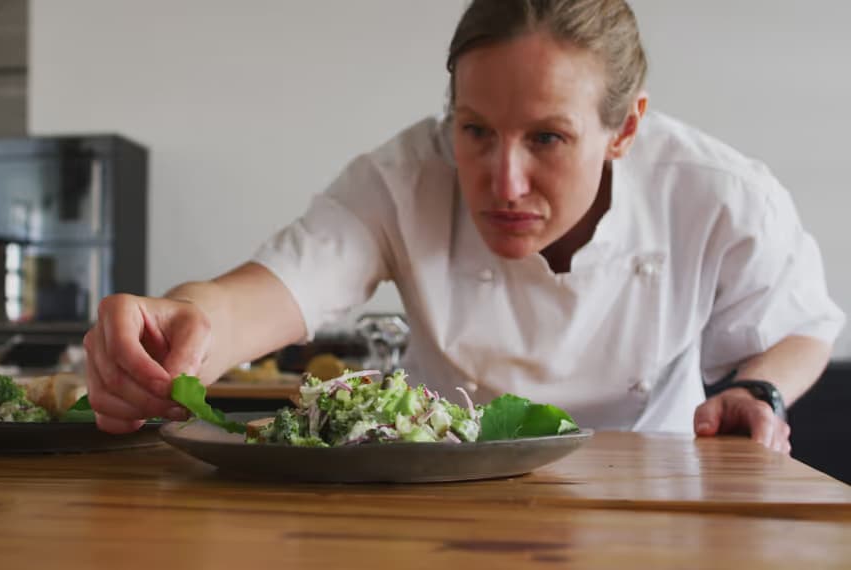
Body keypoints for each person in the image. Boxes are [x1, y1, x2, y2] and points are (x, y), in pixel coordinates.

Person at [82, 0, 845, 453]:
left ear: (625, 128)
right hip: (438, 490)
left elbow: (803, 327)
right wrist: (181, 321)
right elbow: (272, 291)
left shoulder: (715, 192)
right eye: (474, 130)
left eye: (547, 138)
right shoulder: (405, 174)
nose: (502, 183)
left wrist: (762, 391)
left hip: (652, 490)